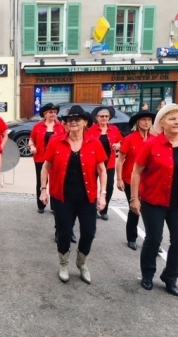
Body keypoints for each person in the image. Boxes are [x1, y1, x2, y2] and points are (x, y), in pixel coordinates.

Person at [40, 106, 107, 284]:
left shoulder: (94, 143)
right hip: (62, 197)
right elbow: (46, 167)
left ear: (85, 122)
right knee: (63, 232)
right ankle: (63, 264)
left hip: (87, 197)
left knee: (89, 232)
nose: (74, 122)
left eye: (78, 119)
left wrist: (103, 194)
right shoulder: (56, 141)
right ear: (66, 124)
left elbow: (102, 170)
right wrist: (43, 189)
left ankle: (81, 262)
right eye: (70, 120)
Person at [130, 103, 178, 296]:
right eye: (172, 118)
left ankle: (170, 276)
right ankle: (148, 274)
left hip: (177, 203)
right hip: (154, 200)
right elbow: (136, 171)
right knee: (153, 239)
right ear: (162, 123)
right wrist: (134, 198)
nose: (177, 122)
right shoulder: (151, 144)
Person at [116, 109, 156, 250]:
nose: (146, 122)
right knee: (134, 208)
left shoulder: (154, 139)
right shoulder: (129, 139)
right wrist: (119, 179)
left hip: (150, 181)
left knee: (151, 211)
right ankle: (132, 237)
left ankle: (153, 241)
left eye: (149, 120)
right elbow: (120, 160)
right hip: (130, 179)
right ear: (138, 122)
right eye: (143, 120)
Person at [28, 103, 65, 214]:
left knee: (55, 181)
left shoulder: (61, 127)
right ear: (45, 114)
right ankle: (41, 204)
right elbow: (31, 140)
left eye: (54, 112)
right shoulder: (37, 126)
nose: (53, 114)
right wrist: (32, 146)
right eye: (50, 112)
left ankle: (54, 205)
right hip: (40, 158)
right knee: (41, 181)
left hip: (56, 159)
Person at [87, 106, 123, 220]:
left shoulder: (114, 129)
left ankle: (104, 210)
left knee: (108, 187)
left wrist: (118, 145)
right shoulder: (91, 129)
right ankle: (91, 209)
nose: (104, 118)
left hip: (109, 163)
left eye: (106, 116)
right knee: (91, 186)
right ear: (96, 117)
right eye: (101, 116)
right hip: (93, 163)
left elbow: (121, 140)